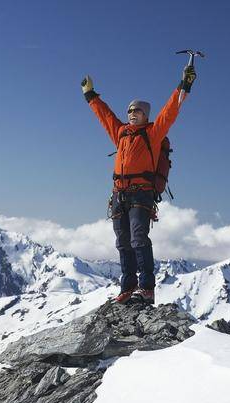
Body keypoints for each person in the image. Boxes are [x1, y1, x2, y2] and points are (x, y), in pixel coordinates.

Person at [81, 65, 196, 304]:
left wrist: (184, 85)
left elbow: (170, 111)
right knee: (123, 242)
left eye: (137, 111)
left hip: (141, 195)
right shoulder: (121, 133)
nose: (132, 113)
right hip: (118, 195)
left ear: (146, 115)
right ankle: (128, 286)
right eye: (130, 110)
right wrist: (90, 96)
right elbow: (105, 116)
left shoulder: (153, 133)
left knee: (138, 239)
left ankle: (146, 288)